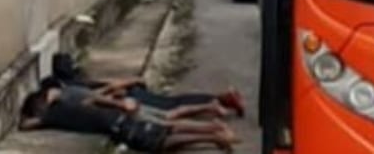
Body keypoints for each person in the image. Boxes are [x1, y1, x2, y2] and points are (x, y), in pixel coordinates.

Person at [19, 86, 239, 152]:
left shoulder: (53, 113)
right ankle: (212, 134)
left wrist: (48, 100)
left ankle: (213, 135)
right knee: (165, 129)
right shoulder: (62, 106)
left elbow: (25, 125)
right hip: (117, 119)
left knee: (160, 139)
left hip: (116, 124)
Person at [50, 53, 245, 117]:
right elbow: (104, 87)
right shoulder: (74, 85)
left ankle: (219, 101)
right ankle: (221, 99)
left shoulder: (74, 86)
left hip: (128, 95)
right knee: (172, 103)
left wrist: (130, 82)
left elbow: (105, 87)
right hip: (127, 94)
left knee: (171, 106)